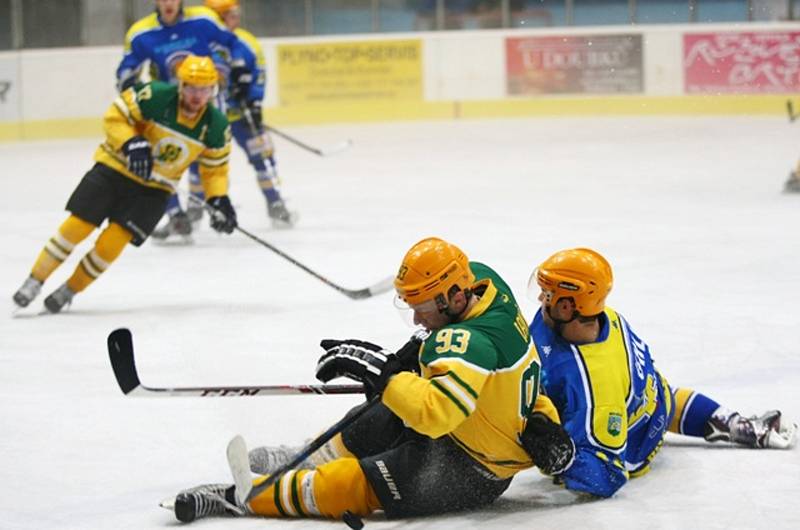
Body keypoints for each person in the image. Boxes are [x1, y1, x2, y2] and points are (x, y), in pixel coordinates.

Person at [164, 237, 561, 523]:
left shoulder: (469, 343)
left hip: (474, 470)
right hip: (473, 425)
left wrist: (384, 376)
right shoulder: (485, 285)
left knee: (351, 484)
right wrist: (411, 359)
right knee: (373, 418)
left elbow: (437, 415)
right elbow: (471, 368)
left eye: (421, 309)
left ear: (454, 297)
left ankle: (243, 498)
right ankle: (301, 456)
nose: (418, 319)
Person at [524, 247, 797, 498]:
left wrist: (564, 457)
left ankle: (731, 425)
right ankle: (737, 425)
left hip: (630, 440)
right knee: (664, 398)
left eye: (547, 293)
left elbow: (609, 474)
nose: (540, 298)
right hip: (653, 402)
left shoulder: (595, 389)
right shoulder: (607, 319)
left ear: (567, 306)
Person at [11, 56, 237, 313]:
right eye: (192, 87)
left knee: (111, 244)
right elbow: (115, 116)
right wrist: (131, 142)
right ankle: (34, 280)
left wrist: (219, 199)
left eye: (205, 89)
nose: (198, 95)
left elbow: (215, 170)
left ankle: (70, 289)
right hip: (115, 170)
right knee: (76, 227)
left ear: (213, 90)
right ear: (181, 85)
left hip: (154, 191)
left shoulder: (216, 126)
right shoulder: (155, 96)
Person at [116, 0, 254, 240]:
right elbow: (127, 67)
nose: (168, 2)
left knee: (211, 161)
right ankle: (175, 214)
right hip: (168, 108)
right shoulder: (141, 33)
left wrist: (240, 70)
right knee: (163, 160)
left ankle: (211, 203)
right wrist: (128, 82)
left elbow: (234, 43)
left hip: (206, 102)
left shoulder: (202, 20)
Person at [169, 0, 296, 235]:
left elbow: (259, 73)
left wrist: (254, 100)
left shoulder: (245, 42)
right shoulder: (202, 41)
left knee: (261, 155)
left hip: (239, 115)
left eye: (236, 12)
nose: (235, 17)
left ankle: (275, 201)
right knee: (199, 163)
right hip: (208, 116)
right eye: (228, 14)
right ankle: (195, 207)